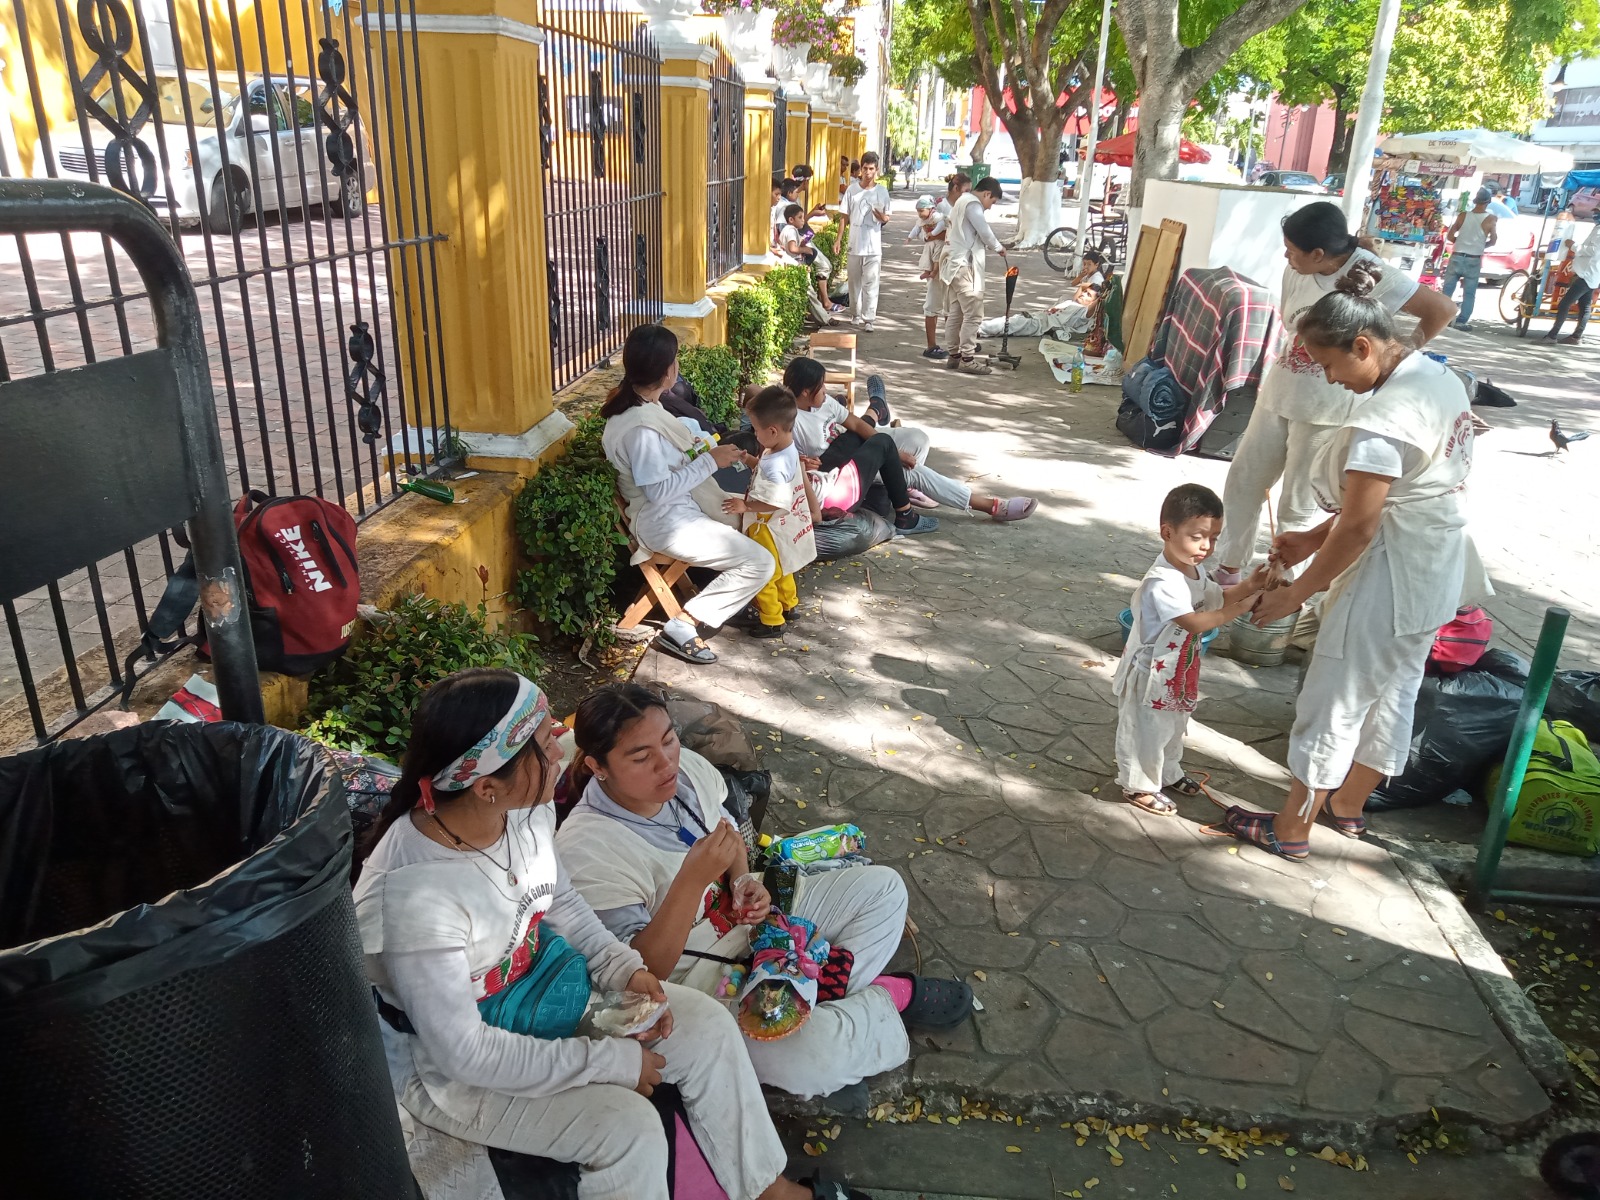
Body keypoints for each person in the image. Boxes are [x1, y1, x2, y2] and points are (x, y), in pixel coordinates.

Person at [352, 669, 869, 1200]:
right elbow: (465, 1054)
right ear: (485, 786)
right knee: (627, 1128)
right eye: (543, 743)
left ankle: (768, 1190)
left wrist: (623, 967)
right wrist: (612, 1062)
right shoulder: (416, 896)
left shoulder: (521, 809)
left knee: (707, 1025)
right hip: (449, 1070)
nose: (560, 751)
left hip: (540, 991)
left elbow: (562, 901)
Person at [558, 685, 974, 1105]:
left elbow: (731, 838)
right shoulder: (587, 848)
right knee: (815, 1058)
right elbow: (641, 976)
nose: (665, 763)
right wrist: (689, 882)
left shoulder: (686, 775)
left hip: (750, 924)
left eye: (668, 740)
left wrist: (743, 883)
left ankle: (811, 990)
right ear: (598, 766)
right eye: (641, 756)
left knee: (883, 889)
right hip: (696, 977)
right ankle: (884, 993)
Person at [1211, 265, 1483, 861]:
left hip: (1392, 567)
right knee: (1394, 689)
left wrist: (1299, 591)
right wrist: (1311, 539)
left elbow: (1362, 524)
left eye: (1331, 365)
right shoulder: (1436, 377)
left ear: (1363, 346)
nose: (1332, 380)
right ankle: (1348, 807)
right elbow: (1386, 499)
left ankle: (1291, 828)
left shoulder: (1381, 422)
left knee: (1336, 693)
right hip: (1434, 564)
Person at [1212, 201, 1457, 587]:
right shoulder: (1297, 269)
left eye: (1293, 251)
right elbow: (1292, 326)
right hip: (1280, 391)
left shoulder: (1376, 275)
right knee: (1245, 480)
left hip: (1328, 408)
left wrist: (1404, 354)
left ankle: (1284, 585)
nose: (1286, 257)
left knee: (1300, 500)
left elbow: (1441, 309)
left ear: (1319, 254)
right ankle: (1228, 568)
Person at [602, 324, 772, 667]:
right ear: (668, 372)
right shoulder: (640, 429)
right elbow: (659, 491)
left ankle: (722, 601)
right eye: (676, 360)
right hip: (664, 522)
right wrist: (709, 460)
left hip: (679, 511)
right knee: (760, 560)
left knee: (759, 519)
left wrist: (700, 454)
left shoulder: (643, 409)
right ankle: (683, 624)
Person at [1114, 485, 1267, 815]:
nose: (1206, 547)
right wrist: (1241, 609)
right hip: (1149, 674)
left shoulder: (1194, 570)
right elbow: (1195, 622)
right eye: (1197, 536)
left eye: (1213, 538)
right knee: (1147, 731)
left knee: (1174, 726)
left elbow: (1216, 598)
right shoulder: (1163, 581)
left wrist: (1252, 584)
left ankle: (1168, 773)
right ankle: (1139, 786)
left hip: (1178, 669)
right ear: (1167, 532)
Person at [783, 356, 1037, 524]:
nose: (826, 390)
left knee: (917, 439)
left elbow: (857, 425)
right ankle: (990, 505)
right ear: (805, 392)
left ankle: (898, 486)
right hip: (845, 467)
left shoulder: (823, 402)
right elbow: (785, 459)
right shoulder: (789, 420)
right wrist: (805, 466)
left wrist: (893, 450)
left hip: (856, 443)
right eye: (821, 386)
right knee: (915, 471)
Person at [720, 386, 819, 639]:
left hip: (766, 526)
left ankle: (772, 619)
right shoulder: (783, 449)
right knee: (784, 567)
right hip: (783, 527)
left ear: (772, 430)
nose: (754, 433)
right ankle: (789, 604)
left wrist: (746, 507)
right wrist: (748, 460)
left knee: (766, 572)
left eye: (756, 429)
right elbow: (762, 469)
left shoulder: (776, 464)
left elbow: (776, 501)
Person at [940, 176, 1007, 375]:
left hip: (953, 264)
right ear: (987, 194)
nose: (990, 207)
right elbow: (985, 232)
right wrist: (999, 247)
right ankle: (967, 358)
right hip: (963, 266)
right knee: (973, 314)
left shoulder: (961, 201)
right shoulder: (972, 204)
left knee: (956, 313)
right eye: (992, 201)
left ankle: (954, 355)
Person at [844, 153, 890, 329]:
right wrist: (839, 239)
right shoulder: (852, 190)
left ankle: (869, 318)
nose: (868, 172)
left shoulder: (882, 192)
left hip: (873, 246)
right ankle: (855, 314)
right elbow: (844, 216)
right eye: (865, 168)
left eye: (871, 169)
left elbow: (886, 217)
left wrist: (880, 216)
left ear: (876, 170)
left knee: (871, 283)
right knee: (854, 282)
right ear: (860, 169)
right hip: (854, 244)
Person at [1442, 189, 1497, 330]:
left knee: (1448, 289)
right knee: (1469, 293)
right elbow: (1494, 240)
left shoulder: (1463, 215)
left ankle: (1442, 318)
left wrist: (1459, 242)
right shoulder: (1491, 219)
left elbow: (1450, 235)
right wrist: (1480, 246)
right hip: (1473, 258)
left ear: (1475, 201)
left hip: (1457, 256)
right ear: (1488, 202)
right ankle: (1461, 322)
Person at [775, 202, 841, 315]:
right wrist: (806, 250)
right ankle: (824, 317)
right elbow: (792, 249)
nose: (803, 220)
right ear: (791, 220)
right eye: (800, 217)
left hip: (796, 262)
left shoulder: (789, 229)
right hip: (796, 263)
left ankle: (819, 313)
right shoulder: (790, 230)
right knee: (809, 292)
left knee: (809, 291)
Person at [1546, 213, 1600, 345]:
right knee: (1585, 305)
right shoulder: (1597, 228)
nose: (1595, 214)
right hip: (1589, 273)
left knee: (1565, 303)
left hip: (1586, 274)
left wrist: (1574, 246)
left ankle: (1552, 336)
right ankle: (1576, 337)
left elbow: (1594, 250)